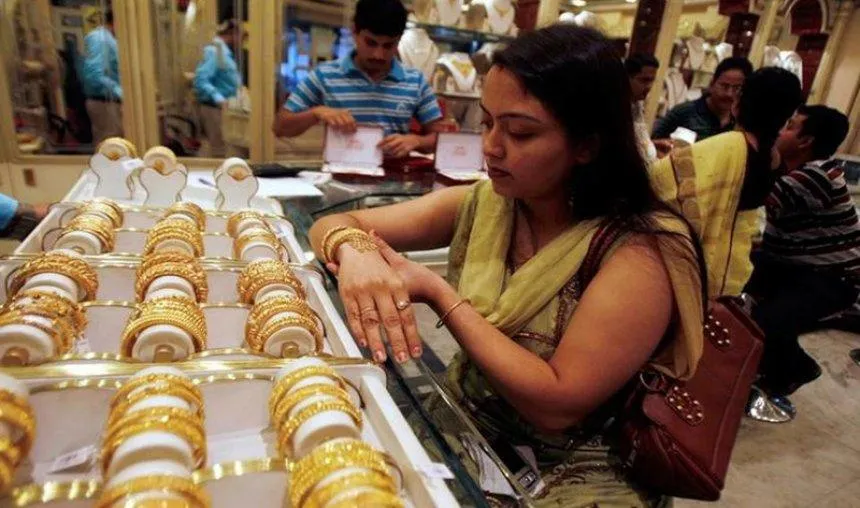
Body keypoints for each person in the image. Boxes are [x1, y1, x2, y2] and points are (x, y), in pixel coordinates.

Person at [310, 25, 707, 505]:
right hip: (466, 421)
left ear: (587, 145)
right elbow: (335, 223)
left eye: (520, 132)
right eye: (487, 122)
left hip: (580, 467)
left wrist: (438, 293)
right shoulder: (490, 204)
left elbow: (557, 405)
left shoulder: (641, 252)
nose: (492, 146)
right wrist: (354, 249)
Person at [650, 67, 804, 297]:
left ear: (739, 101)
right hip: (733, 263)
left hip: (697, 262)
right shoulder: (774, 157)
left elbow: (657, 181)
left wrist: (663, 160)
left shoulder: (727, 146)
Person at [745, 105, 857, 399]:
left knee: (767, 322)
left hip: (833, 278)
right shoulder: (798, 171)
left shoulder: (817, 177)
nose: (781, 131)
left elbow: (750, 194)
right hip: (792, 266)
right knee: (726, 277)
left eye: (790, 126)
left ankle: (795, 370)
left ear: (805, 141)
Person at [272, 0, 444, 158]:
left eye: (388, 45)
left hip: (395, 177)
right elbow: (280, 127)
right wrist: (316, 113)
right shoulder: (324, 75)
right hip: (339, 177)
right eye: (371, 43)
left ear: (399, 39)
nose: (378, 54)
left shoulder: (415, 81)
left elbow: (442, 139)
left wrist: (417, 141)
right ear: (354, 31)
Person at [652, 57, 753, 142]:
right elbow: (654, 146)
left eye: (737, 88)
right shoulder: (683, 112)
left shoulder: (742, 122)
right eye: (724, 86)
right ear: (712, 83)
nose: (729, 94)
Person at [194, 19, 243, 158]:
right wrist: (219, 98)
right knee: (219, 150)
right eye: (240, 35)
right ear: (232, 33)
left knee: (224, 147)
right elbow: (201, 80)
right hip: (214, 108)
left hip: (223, 108)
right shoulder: (215, 52)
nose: (241, 40)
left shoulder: (223, 53)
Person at [82, 9, 123, 144]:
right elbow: (94, 75)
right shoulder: (101, 39)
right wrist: (121, 92)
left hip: (108, 101)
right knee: (110, 147)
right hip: (104, 102)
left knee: (115, 145)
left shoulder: (108, 39)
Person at [625, 53, 671, 161]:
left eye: (652, 81)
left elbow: (636, 140)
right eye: (644, 80)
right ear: (627, 78)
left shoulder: (637, 103)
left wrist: (652, 144)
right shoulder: (616, 108)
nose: (649, 87)